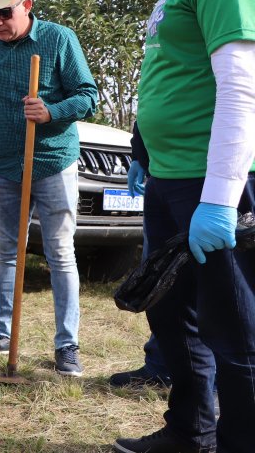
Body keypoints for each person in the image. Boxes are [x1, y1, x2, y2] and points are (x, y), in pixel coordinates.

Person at [108, 0, 255, 452]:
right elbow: (175, 68)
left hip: (210, 181)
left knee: (235, 329)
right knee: (173, 314)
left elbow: (241, 82)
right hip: (172, 176)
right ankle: (191, 432)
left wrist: (220, 200)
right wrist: (145, 145)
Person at [0, 0, 98, 377]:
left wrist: (52, 111)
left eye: (4, 13)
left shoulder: (58, 39)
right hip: (5, 165)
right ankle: (1, 333)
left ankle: (67, 345)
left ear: (27, 6)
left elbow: (88, 96)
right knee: (8, 251)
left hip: (54, 162)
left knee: (59, 253)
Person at [109, 122, 172, 389]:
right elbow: (148, 104)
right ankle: (161, 366)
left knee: (208, 286)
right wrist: (140, 156)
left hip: (207, 177)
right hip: (161, 175)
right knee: (159, 280)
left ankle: (216, 384)